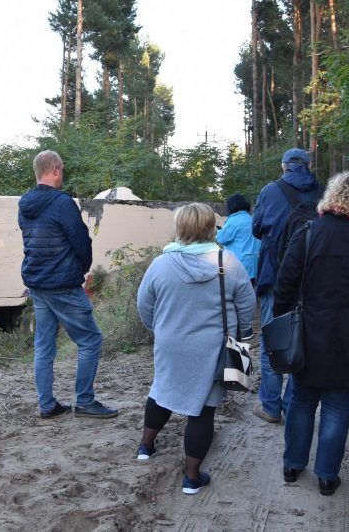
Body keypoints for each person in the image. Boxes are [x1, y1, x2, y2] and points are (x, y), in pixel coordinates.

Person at [274, 172, 349, 496]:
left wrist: (280, 324)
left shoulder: (309, 232)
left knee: (302, 399)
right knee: (338, 404)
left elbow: (285, 282)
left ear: (332, 196)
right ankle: (327, 476)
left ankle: (292, 465)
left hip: (311, 330)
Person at [137, 203, 256, 495]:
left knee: (162, 391)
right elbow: (247, 305)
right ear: (209, 228)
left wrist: (161, 330)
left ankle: (146, 447)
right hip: (213, 348)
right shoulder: (228, 262)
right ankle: (191, 478)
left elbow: (144, 306)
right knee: (203, 409)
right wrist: (244, 337)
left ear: (180, 228)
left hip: (170, 343)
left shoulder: (160, 264)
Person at [18, 150, 118, 419]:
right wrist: (82, 269)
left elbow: (32, 242)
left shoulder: (24, 204)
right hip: (62, 284)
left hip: (38, 283)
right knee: (90, 339)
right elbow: (81, 241)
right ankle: (85, 402)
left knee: (44, 345)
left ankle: (47, 405)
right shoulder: (63, 203)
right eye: (61, 169)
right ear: (56, 170)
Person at [251, 148, 322, 424]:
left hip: (275, 275)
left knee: (273, 338)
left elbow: (256, 229)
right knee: (302, 338)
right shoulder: (323, 191)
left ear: (284, 167)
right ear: (308, 165)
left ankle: (270, 405)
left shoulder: (270, 191)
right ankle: (293, 403)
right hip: (312, 277)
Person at [216, 192, 261, 292]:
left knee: (238, 292)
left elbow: (222, 239)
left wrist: (218, 231)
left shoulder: (234, 220)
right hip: (255, 261)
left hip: (240, 262)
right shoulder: (251, 218)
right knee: (251, 289)